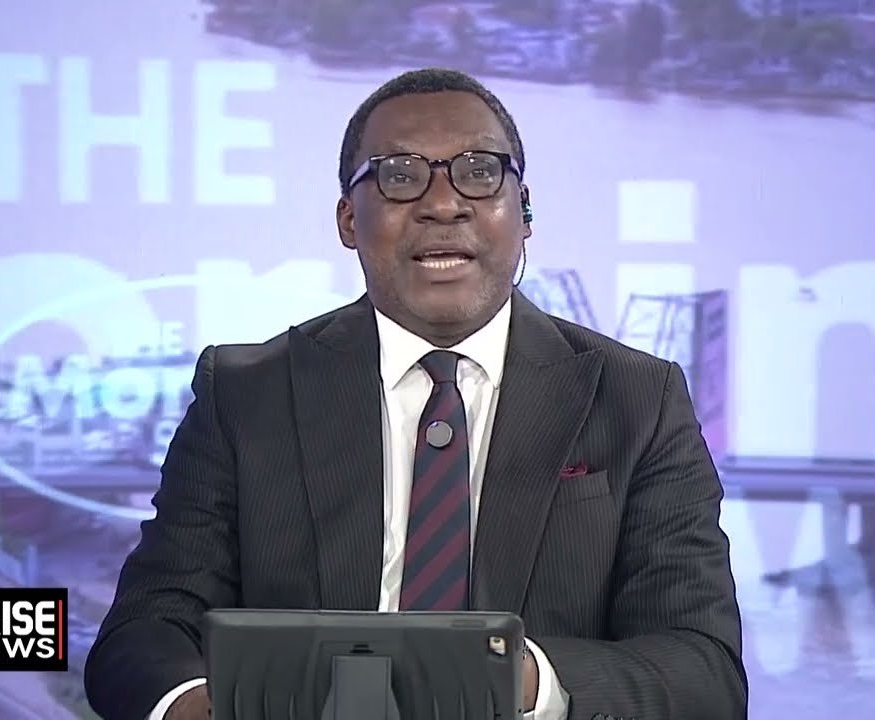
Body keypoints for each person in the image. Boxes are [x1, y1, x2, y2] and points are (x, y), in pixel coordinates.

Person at [84, 67, 747, 720]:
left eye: (479, 171)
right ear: (349, 219)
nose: (443, 203)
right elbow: (147, 628)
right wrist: (200, 708)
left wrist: (518, 680)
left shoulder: (639, 400)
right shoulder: (245, 394)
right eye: (399, 176)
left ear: (524, 212)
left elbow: (704, 671)